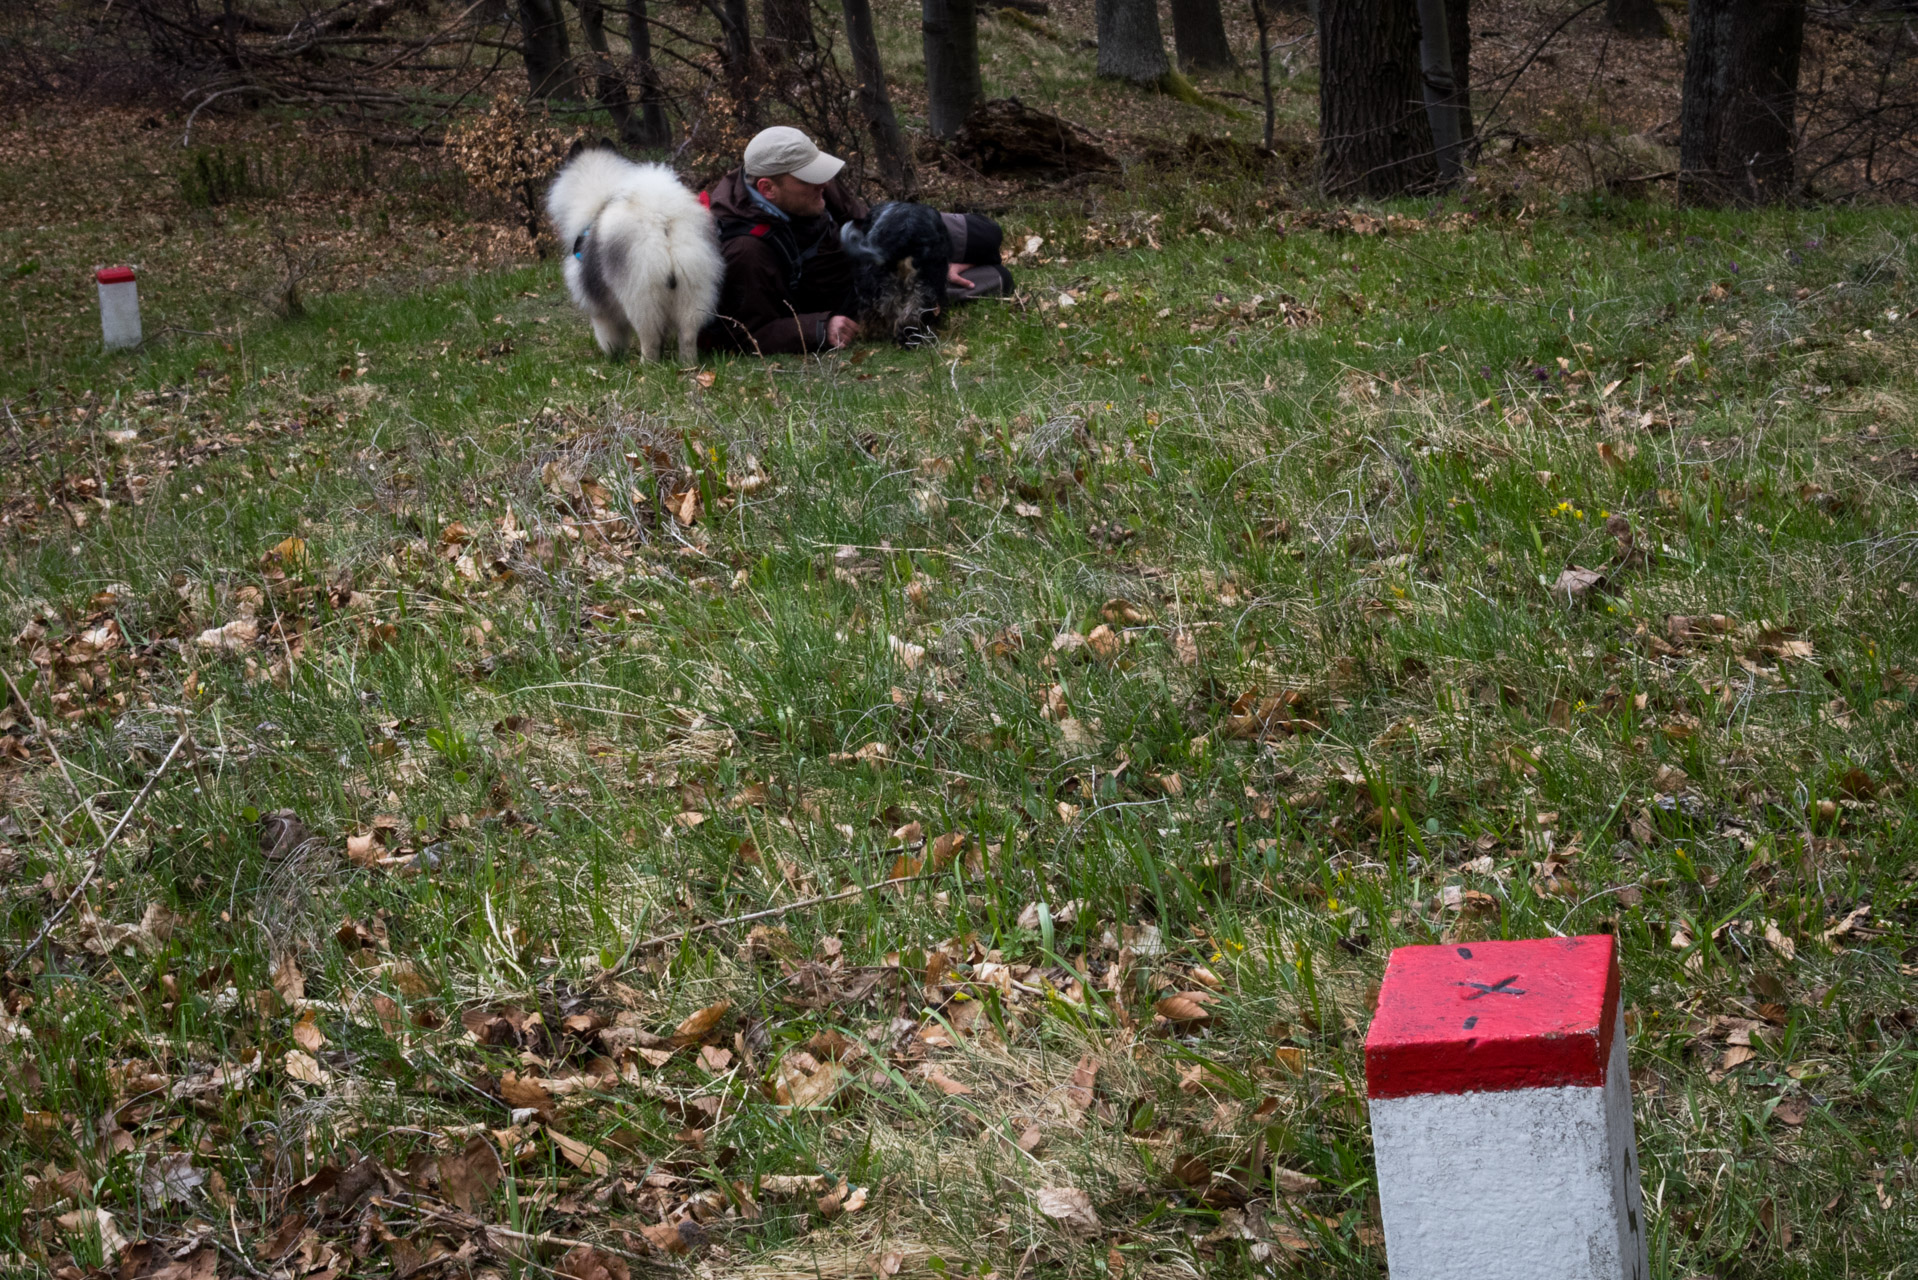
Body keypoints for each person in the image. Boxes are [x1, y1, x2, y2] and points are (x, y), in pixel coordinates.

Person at [699, 126, 1012, 355]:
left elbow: (859, 218)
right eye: (809, 177)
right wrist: (820, 328)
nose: (823, 182)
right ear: (768, 189)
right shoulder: (746, 251)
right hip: (859, 296)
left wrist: (924, 254)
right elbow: (745, 333)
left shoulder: (799, 181)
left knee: (987, 235)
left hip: (872, 245)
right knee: (998, 277)